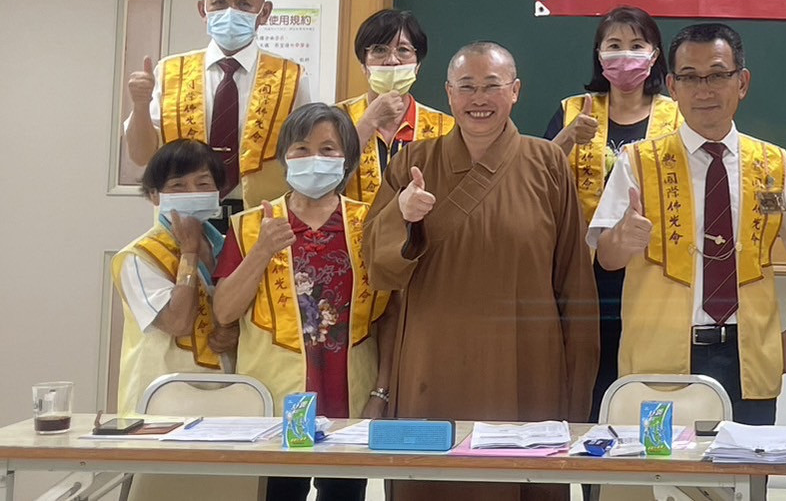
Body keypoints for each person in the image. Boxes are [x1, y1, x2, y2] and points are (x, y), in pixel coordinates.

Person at [366, 42, 598, 501]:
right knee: (433, 481)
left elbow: (574, 279)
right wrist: (402, 215)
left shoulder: (547, 162)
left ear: (515, 91)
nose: (479, 99)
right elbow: (379, 268)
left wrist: (577, 395)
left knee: (522, 474)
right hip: (433, 363)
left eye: (492, 86)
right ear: (449, 94)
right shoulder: (412, 163)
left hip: (528, 365)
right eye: (467, 87)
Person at [590, 22, 786, 426]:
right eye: (690, 78)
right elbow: (606, 258)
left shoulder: (772, 163)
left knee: (746, 464)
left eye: (717, 75)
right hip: (660, 361)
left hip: (749, 356)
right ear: (672, 87)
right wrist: (622, 239)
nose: (704, 90)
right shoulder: (637, 162)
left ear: (742, 82)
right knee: (663, 464)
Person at [213, 104, 390, 501]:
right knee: (277, 494)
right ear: (284, 157)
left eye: (328, 149)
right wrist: (262, 251)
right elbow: (224, 311)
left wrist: (381, 393)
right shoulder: (249, 225)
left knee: (343, 496)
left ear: (347, 159)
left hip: (349, 396)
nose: (314, 158)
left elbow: (390, 317)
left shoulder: (371, 224)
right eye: (301, 148)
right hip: (276, 399)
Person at [544, 6, 680, 414]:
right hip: (580, 269)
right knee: (588, 379)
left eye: (637, 46)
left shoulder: (677, 114)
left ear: (654, 55)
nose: (625, 56)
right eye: (614, 45)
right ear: (599, 55)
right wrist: (568, 138)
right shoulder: (573, 110)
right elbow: (535, 177)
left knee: (646, 376)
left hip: (654, 266)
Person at [123, 0, 312, 208]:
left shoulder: (290, 77)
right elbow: (141, 156)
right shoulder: (170, 72)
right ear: (203, 10)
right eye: (219, 3)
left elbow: (306, 155)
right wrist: (140, 105)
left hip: (261, 213)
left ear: (264, 12)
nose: (230, 12)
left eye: (243, 4)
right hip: (184, 212)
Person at [111, 139, 231, 415]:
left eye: (203, 183)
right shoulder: (139, 256)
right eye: (178, 185)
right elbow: (178, 322)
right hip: (162, 400)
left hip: (229, 393)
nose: (193, 192)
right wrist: (188, 253)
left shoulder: (227, 247)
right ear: (155, 196)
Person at [335, 8, 455, 204]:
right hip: (352, 224)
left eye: (403, 50)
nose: (392, 60)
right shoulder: (334, 119)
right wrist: (368, 122)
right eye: (379, 50)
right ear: (363, 65)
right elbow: (321, 189)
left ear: (417, 66)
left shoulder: (445, 127)